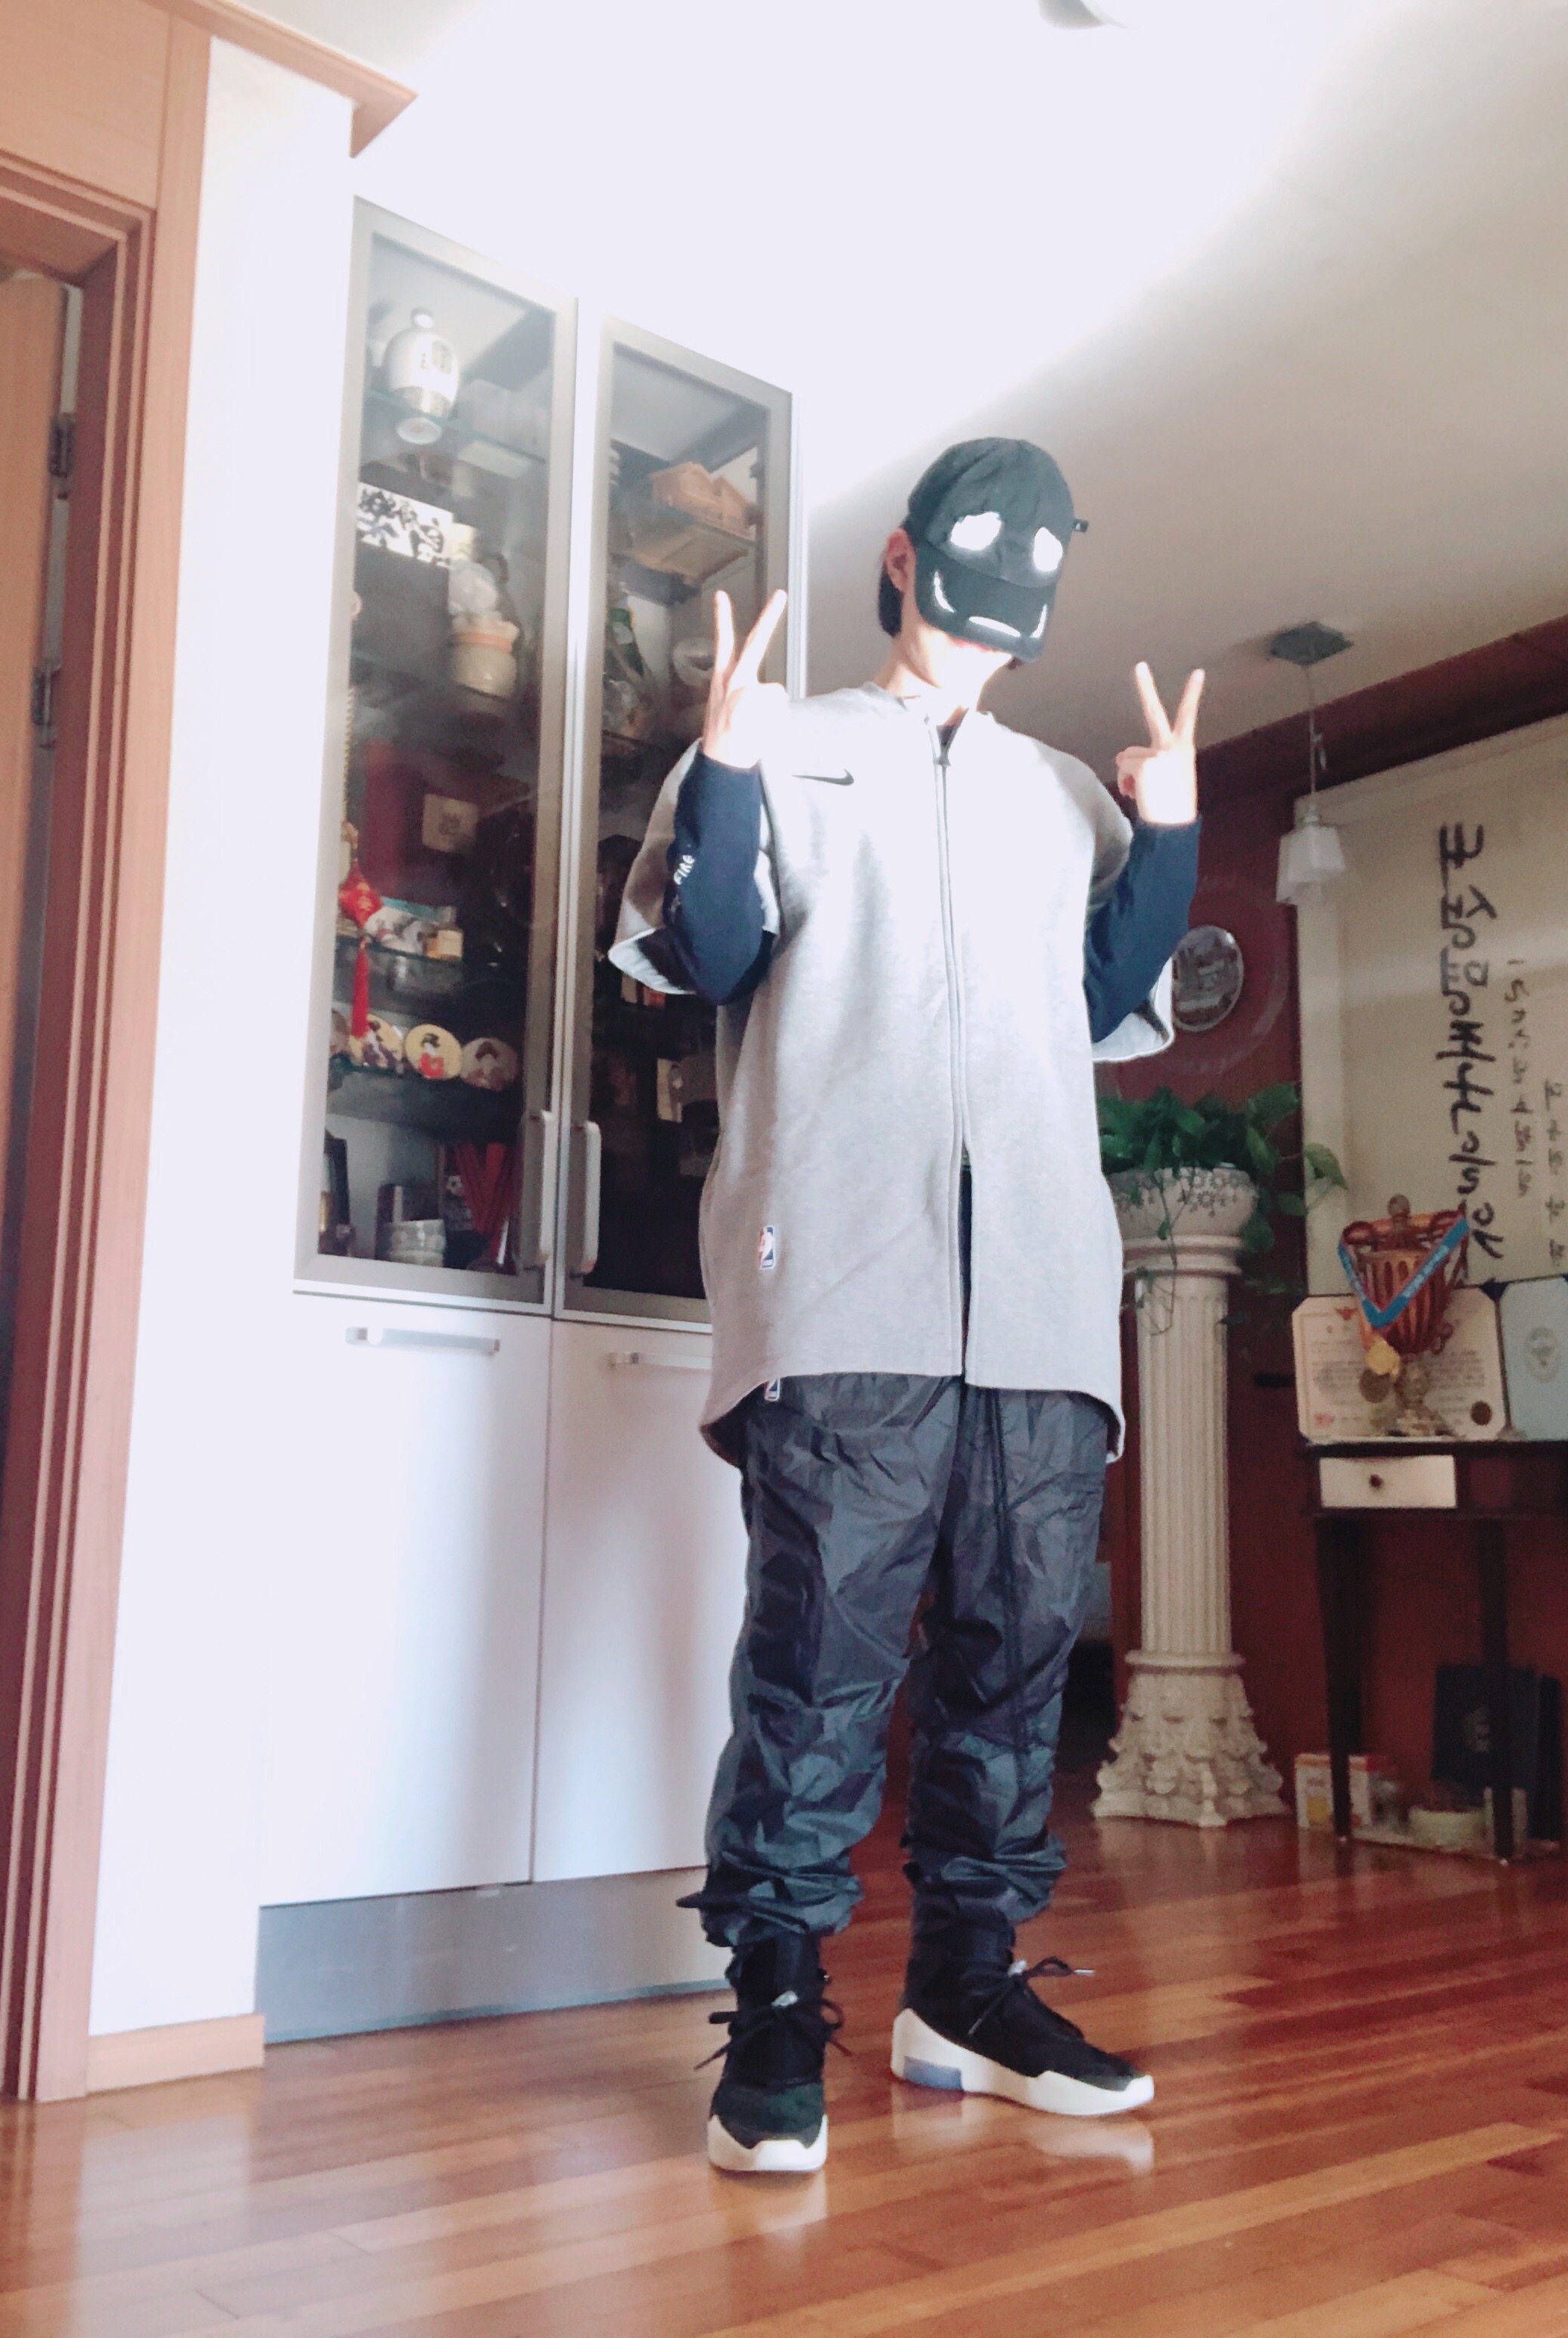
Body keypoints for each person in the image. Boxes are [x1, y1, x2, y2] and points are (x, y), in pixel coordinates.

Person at [612, 438, 1202, 2174]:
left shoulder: (1065, 798)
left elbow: (1102, 1000)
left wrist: (1170, 836)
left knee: (1017, 1653)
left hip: (1036, 1290)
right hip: (844, 1276)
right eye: (971, 556)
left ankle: (965, 1988)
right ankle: (777, 2003)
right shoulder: (785, 743)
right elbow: (709, 955)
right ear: (902, 556)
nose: (994, 593)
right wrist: (725, 771)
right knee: (820, 1658)